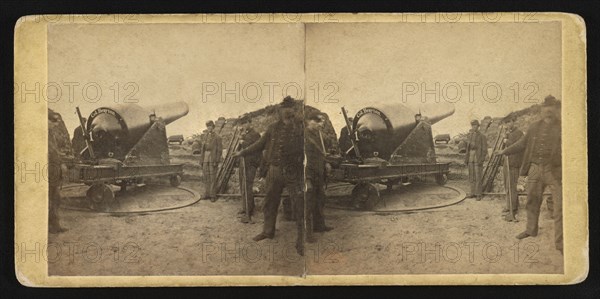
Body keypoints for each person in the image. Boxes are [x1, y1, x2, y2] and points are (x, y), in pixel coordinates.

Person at [233, 96, 305, 255]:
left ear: (294, 110)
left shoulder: (300, 128)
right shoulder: (272, 128)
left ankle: (301, 239)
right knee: (270, 202)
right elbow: (259, 145)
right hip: (274, 171)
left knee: (299, 204)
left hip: (294, 171)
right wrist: (243, 152)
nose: (287, 112)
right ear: (280, 112)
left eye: (290, 109)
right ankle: (268, 231)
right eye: (284, 109)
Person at [496, 96, 562, 253]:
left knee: (560, 207)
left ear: (555, 111)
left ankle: (561, 244)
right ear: (541, 110)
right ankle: (531, 230)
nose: (548, 112)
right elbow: (521, 144)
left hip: (554, 171)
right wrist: (505, 151)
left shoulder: (562, 127)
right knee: (532, 201)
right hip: (534, 169)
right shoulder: (533, 127)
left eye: (552, 109)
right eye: (546, 109)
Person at [304, 112, 334, 242]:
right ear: (308, 121)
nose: (319, 124)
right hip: (307, 173)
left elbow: (323, 152)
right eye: (316, 121)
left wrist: (327, 163)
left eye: (320, 121)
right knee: (308, 203)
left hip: (318, 172)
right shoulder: (302, 136)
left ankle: (319, 226)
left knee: (320, 199)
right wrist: (305, 177)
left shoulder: (320, 136)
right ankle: (307, 233)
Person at [236, 116, 261, 223]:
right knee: (243, 185)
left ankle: (249, 211)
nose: (244, 125)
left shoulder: (255, 134)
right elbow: (240, 148)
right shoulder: (245, 134)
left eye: (246, 123)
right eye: (243, 124)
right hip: (243, 162)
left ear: (250, 122)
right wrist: (240, 141)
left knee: (247, 185)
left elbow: (254, 147)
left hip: (251, 163)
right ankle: (246, 207)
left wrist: (243, 142)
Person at [501, 115, 524, 219]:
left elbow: (518, 147)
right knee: (507, 185)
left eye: (509, 122)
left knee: (512, 187)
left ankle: (513, 211)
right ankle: (509, 205)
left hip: (514, 163)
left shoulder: (518, 133)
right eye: (506, 123)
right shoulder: (508, 133)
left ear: (513, 122)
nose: (507, 124)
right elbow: (504, 148)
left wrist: (507, 141)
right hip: (507, 162)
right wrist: (504, 139)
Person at [464, 119, 488, 200]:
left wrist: (482, 159)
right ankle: (472, 193)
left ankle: (478, 194)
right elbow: (467, 148)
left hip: (478, 157)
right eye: (473, 125)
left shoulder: (482, 136)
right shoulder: (469, 136)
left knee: (478, 176)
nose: (474, 127)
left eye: (475, 125)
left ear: (478, 126)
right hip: (471, 156)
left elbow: (484, 149)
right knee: (471, 175)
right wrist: (466, 158)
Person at [199, 120, 222, 200]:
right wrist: (201, 159)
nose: (209, 128)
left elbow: (219, 150)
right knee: (206, 175)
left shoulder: (217, 137)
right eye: (208, 126)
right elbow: (202, 149)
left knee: (212, 176)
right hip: (205, 156)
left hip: (213, 157)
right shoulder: (204, 136)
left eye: (210, 126)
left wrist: (217, 160)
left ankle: (213, 195)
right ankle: (207, 193)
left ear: (213, 127)